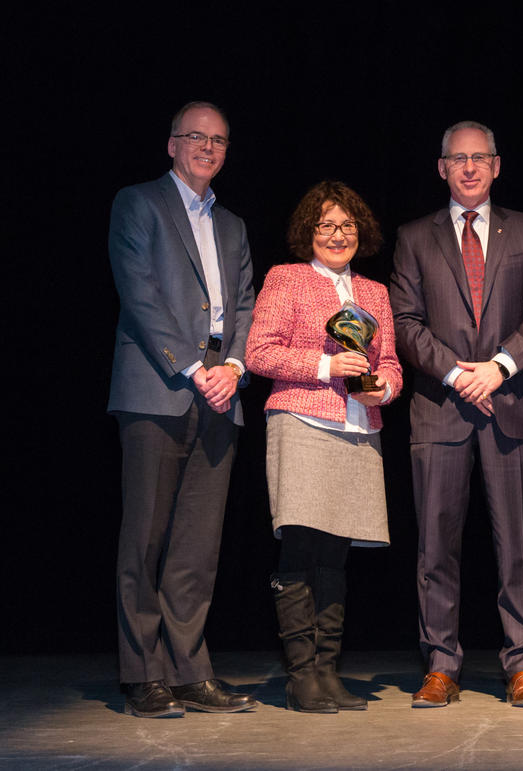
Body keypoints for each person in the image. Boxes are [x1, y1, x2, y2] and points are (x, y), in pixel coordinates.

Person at [389, 121, 523, 708]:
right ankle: (440, 664)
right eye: (457, 159)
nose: (468, 168)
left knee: (519, 545)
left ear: (497, 165)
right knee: (437, 546)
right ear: (441, 168)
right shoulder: (414, 236)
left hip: (509, 405)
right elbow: (404, 322)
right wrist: (461, 373)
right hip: (440, 408)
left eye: (479, 157)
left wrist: (500, 367)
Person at [108, 101, 256, 718]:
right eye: (196, 137)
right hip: (158, 388)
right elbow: (138, 293)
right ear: (172, 144)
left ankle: (191, 671)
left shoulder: (234, 225)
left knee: (199, 545)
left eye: (218, 139)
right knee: (145, 537)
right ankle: (144, 675)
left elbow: (246, 304)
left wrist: (234, 369)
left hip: (221, 390)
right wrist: (196, 369)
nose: (207, 147)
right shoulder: (137, 203)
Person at [246, 181, 402, 713]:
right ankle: (300, 674)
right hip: (302, 421)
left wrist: (386, 385)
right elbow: (259, 351)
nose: (338, 235)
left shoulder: (376, 292)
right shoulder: (286, 279)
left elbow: (392, 363)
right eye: (326, 225)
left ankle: (327, 671)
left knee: (336, 554)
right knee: (302, 548)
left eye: (347, 226)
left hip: (360, 428)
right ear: (307, 232)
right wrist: (326, 367)